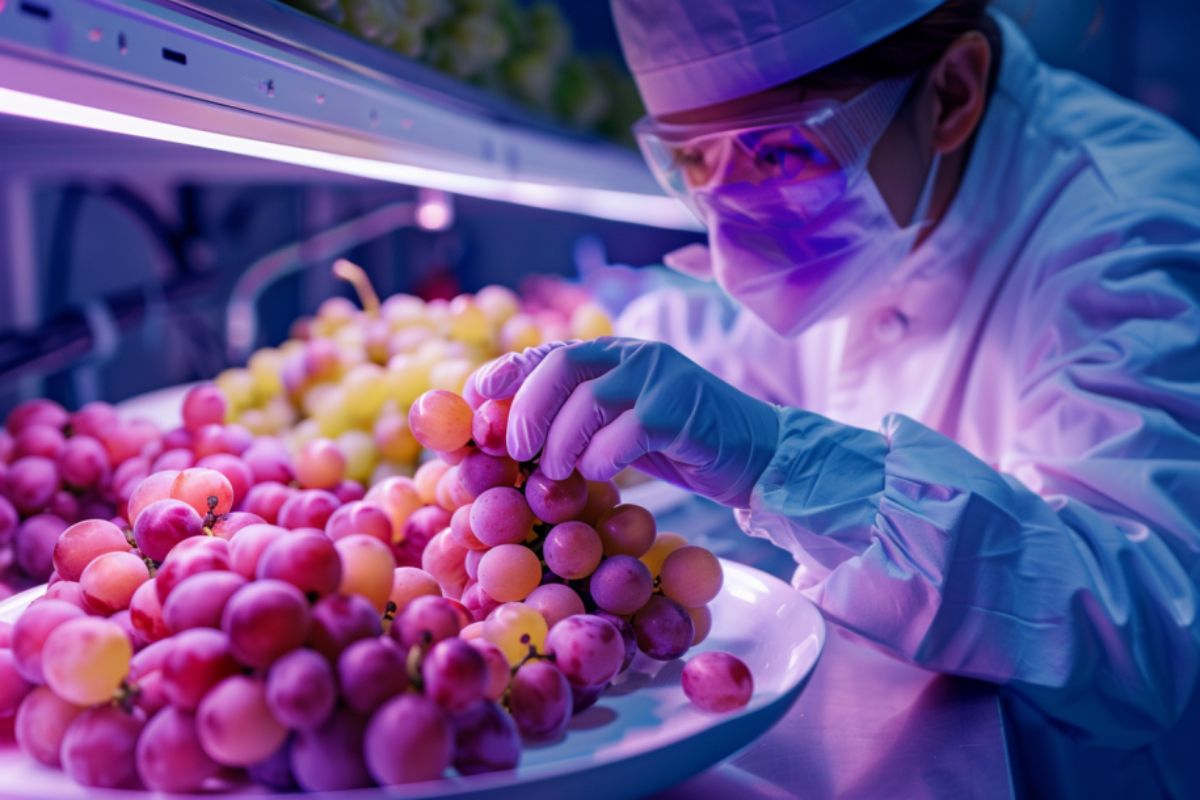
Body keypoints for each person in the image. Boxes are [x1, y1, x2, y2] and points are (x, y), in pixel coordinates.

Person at [473, 1, 1200, 797]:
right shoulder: (891, 178)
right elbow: (770, 350)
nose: (727, 231)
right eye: (693, 162)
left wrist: (779, 459)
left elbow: (1141, 630)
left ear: (952, 93)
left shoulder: (1127, 235)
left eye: (780, 153)